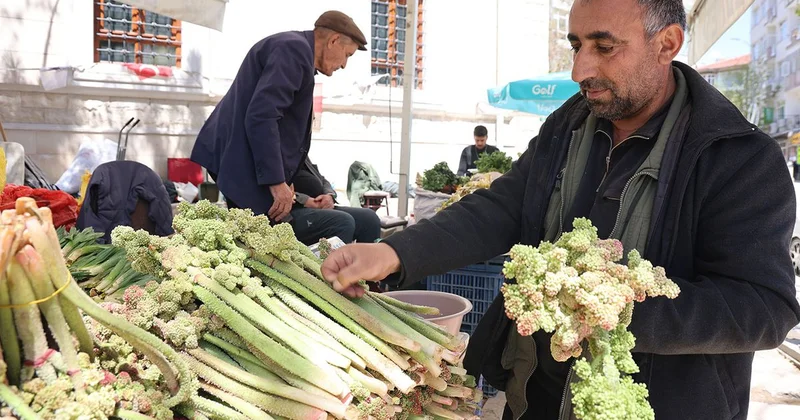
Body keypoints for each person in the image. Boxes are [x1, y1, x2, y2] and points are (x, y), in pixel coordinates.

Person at [319, 0, 800, 419]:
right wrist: (396, 253)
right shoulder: (570, 123)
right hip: (535, 394)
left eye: (604, 46)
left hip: (657, 404)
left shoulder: (737, 157)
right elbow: (504, 206)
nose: (580, 70)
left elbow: (764, 308)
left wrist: (614, 310)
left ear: (666, 42)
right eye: (576, 45)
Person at [191, 11, 367, 223]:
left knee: (258, 233)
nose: (345, 64)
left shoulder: (296, 49)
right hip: (238, 157)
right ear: (334, 40)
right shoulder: (294, 50)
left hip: (242, 156)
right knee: (257, 236)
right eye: (348, 55)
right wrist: (277, 183)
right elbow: (262, 117)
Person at [289, 156, 381, 245]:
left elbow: (322, 179)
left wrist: (329, 195)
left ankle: (366, 260)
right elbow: (277, 190)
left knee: (369, 218)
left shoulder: (301, 152)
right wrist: (304, 200)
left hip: (319, 206)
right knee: (343, 221)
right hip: (292, 210)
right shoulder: (279, 153)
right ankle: (333, 260)